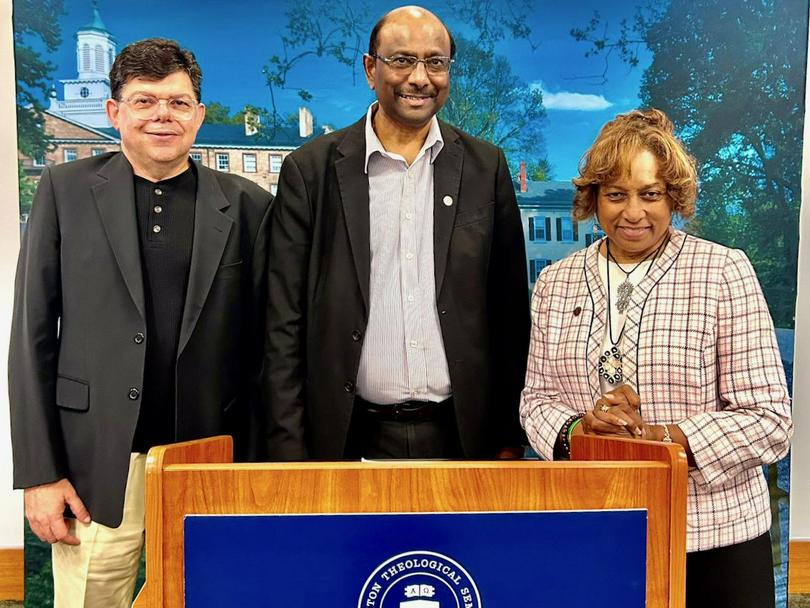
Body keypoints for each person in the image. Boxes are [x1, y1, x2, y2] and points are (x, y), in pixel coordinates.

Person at [9, 38, 272, 607]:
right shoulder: (65, 192)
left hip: (210, 459)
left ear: (199, 115)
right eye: (145, 101)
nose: (162, 116)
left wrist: (261, 463)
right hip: (94, 466)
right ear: (115, 112)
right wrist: (40, 474)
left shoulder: (249, 204)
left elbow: (264, 350)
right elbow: (32, 339)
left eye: (178, 103)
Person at [519, 108, 792, 607]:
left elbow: (770, 419)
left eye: (651, 194)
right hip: (597, 529)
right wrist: (581, 430)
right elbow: (535, 401)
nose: (633, 213)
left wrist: (662, 438)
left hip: (714, 537)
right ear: (593, 198)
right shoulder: (555, 282)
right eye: (616, 194)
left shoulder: (723, 270)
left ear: (675, 197)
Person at [265, 6, 529, 461]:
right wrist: (290, 453)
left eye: (436, 62)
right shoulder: (309, 172)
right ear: (371, 68)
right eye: (402, 60)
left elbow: (508, 312)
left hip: (465, 437)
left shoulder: (486, 168)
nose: (420, 78)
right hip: (344, 439)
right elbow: (282, 324)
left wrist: (509, 434)